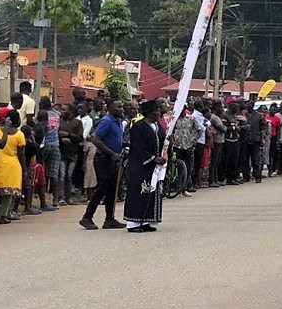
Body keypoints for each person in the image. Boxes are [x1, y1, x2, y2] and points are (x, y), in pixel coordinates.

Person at [81, 99, 126, 230]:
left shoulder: (117, 122)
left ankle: (109, 219)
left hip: (114, 160)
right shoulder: (106, 121)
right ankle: (87, 217)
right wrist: (111, 153)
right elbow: (96, 139)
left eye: (122, 106)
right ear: (110, 108)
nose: (122, 109)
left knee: (112, 190)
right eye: (119, 107)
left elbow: (115, 140)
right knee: (102, 189)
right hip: (103, 159)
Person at [123, 99, 166, 233]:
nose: (159, 113)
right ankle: (133, 223)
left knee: (151, 192)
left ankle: (146, 220)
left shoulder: (157, 126)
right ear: (149, 112)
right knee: (139, 192)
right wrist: (153, 158)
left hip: (154, 167)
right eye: (156, 110)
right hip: (141, 165)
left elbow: (162, 140)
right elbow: (138, 147)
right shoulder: (138, 126)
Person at [58, 104, 84, 205]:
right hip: (62, 151)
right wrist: (61, 139)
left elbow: (80, 137)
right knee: (62, 175)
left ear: (70, 112)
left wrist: (69, 135)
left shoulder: (78, 123)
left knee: (69, 175)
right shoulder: (60, 122)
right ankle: (62, 197)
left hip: (73, 153)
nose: (62, 111)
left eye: (64, 110)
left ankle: (68, 197)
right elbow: (56, 134)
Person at [172, 105, 199, 195]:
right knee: (178, 167)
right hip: (177, 146)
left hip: (188, 145)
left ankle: (185, 188)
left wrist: (193, 140)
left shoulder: (191, 119)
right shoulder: (174, 120)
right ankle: (177, 187)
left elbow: (199, 129)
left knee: (188, 168)